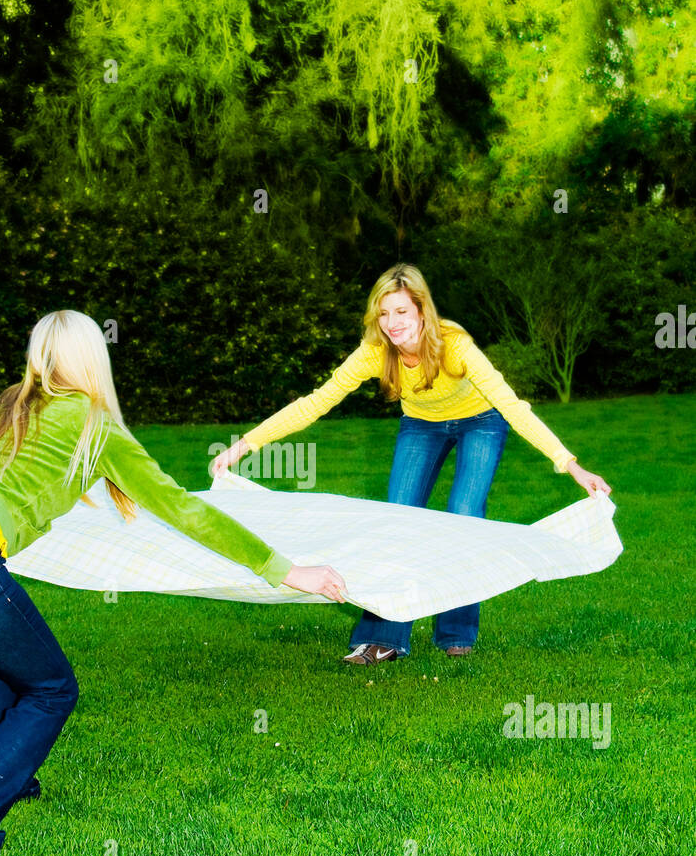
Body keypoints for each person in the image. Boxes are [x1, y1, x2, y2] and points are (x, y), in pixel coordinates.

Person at [0, 311, 347, 856]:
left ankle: (7, 775)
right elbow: (184, 509)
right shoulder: (95, 422)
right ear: (95, 358)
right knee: (52, 689)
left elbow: (3, 483)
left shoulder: (4, 406)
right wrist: (284, 569)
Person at [211, 263, 611, 665]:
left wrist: (570, 464)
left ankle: (456, 631)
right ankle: (383, 638)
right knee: (398, 519)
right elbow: (316, 402)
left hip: (482, 422)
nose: (391, 323)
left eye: (401, 311)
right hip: (421, 425)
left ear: (422, 309)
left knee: (464, 516)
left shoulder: (454, 345)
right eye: (383, 313)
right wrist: (243, 446)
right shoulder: (375, 352)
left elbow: (511, 405)